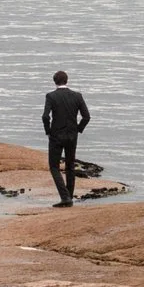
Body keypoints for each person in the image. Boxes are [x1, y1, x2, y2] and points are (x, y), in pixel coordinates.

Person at [42, 70, 91, 208]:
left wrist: (48, 131)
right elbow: (86, 116)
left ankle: (65, 197)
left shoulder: (51, 96)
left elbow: (45, 116)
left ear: (55, 81)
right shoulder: (77, 96)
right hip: (72, 135)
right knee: (70, 166)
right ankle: (68, 197)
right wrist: (78, 129)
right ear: (66, 80)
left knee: (54, 167)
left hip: (56, 135)